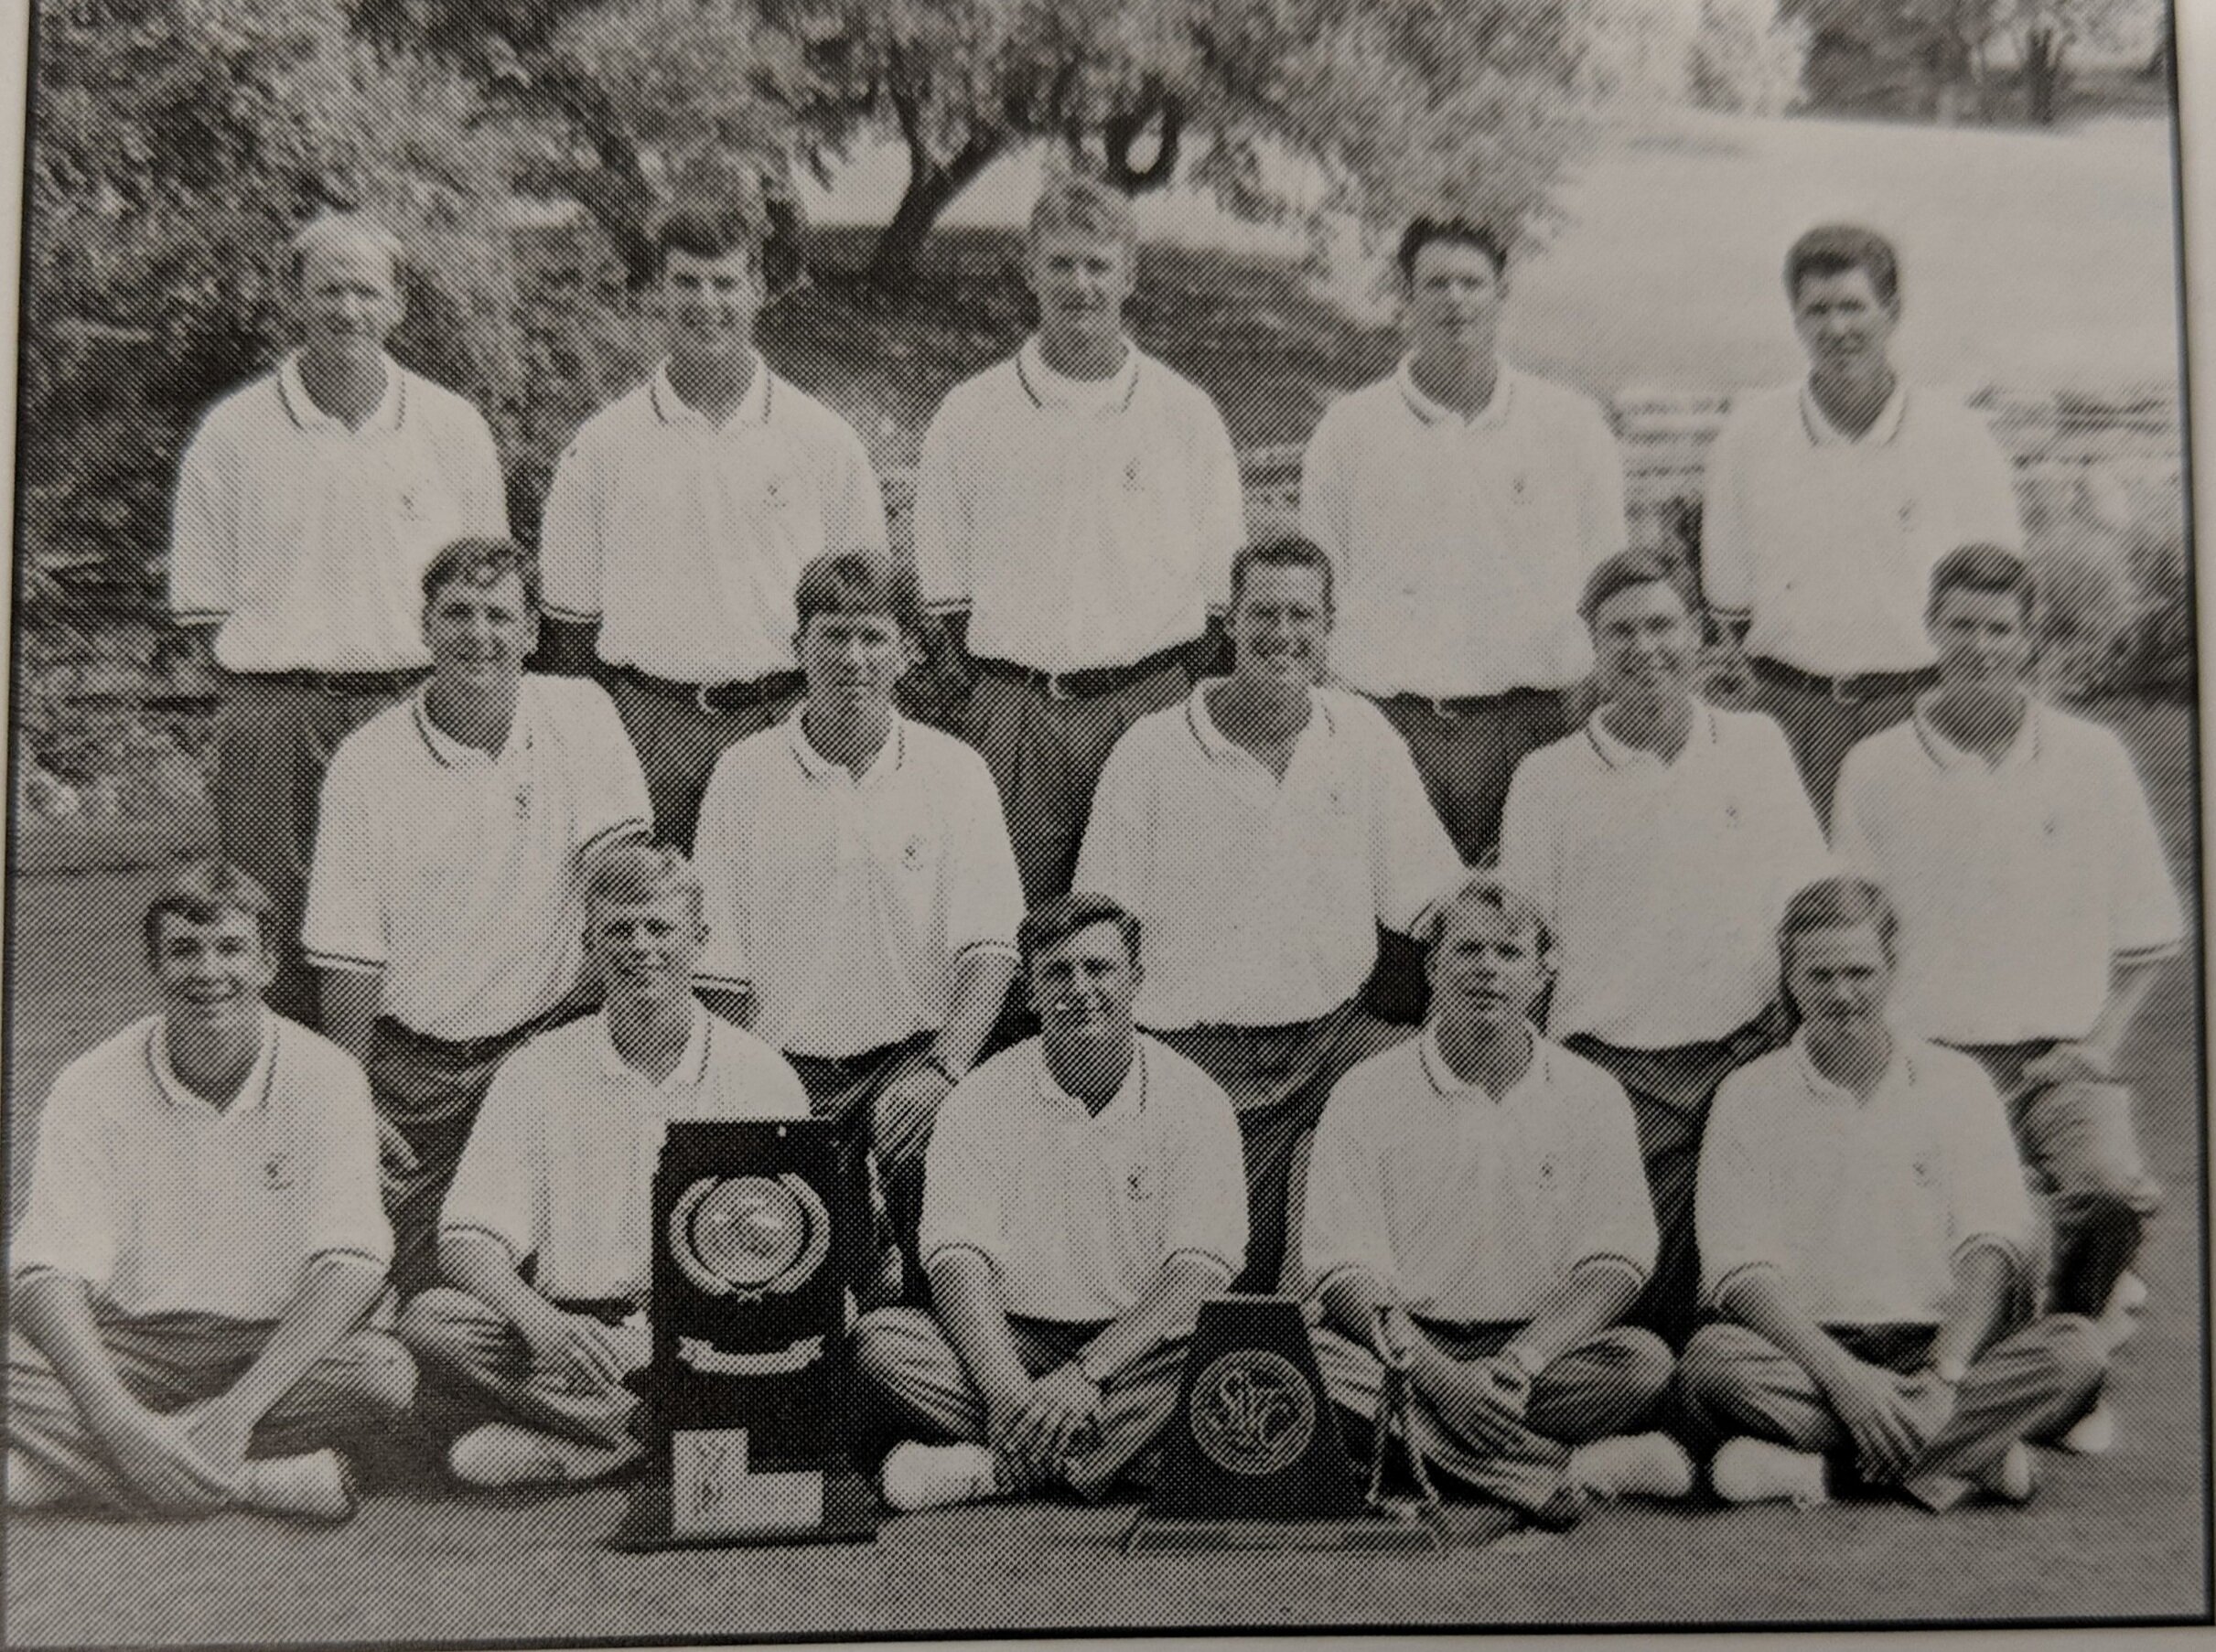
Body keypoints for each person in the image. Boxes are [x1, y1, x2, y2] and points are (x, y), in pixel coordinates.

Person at [1833, 544, 2181, 1451]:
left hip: (2057, 1059)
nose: (1980, 647)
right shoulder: (1875, 765)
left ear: (2027, 639)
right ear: (1930, 630)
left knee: (2108, 1194)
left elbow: (2147, 933)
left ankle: (2078, 1371)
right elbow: (1854, 942)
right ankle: (2016, 1382)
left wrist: (2098, 1042)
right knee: (1980, 1233)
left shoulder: (2091, 758)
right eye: (1961, 626)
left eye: (1999, 629)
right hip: (1930, 1063)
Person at [1075, 536, 1460, 1292]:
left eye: (1302, 616)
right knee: (1209, 1287)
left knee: (1447, 1091)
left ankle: (1397, 1340)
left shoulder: (1363, 735)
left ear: (1328, 627)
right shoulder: (1149, 752)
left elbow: (1431, 904)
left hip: (1332, 1044)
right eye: (1263, 614)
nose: (1282, 635)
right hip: (1200, 1061)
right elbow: (1101, 933)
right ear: (1230, 623)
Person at [169, 213, 511, 1022]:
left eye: (366, 290)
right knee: (270, 921)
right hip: (278, 714)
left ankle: (413, 1106)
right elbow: (203, 607)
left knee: (426, 903)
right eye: (329, 290)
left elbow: (489, 588)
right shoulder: (233, 433)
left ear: (397, 304)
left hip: (416, 701)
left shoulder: (452, 428)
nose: (347, 310)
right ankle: (289, 1107)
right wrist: (279, 686)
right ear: (295, 299)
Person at [1682, 877, 2112, 1511]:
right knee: (1712, 1365)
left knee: (2075, 1350)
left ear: (1893, 967)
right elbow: (1739, 1272)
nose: (1843, 995)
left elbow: (1990, 1242)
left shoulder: (1957, 1082)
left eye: (1861, 972)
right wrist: (1845, 1379)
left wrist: (1944, 1375)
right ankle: (1967, 1453)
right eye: (1820, 976)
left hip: (1939, 1344)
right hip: (1810, 1355)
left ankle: (1818, 1476)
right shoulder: (1747, 1095)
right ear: (1790, 976)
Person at [396, 844, 812, 1487]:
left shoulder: (759, 1075)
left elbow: (786, 1258)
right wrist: (542, 1323)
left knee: (827, 1316)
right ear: (589, 944)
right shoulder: (536, 1070)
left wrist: (663, 1339)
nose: (640, 946)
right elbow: (468, 1240)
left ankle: (588, 1447)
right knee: (432, 1321)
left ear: (699, 941)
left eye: (660, 928)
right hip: (571, 1334)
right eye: (618, 929)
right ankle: (672, 1442)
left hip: (702, 1329)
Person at [8, 863, 412, 1523]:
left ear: (268, 964)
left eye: (230, 949)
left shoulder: (328, 1076)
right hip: (130, 1344)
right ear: (155, 965)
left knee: (381, 1377)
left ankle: (56, 1476)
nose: (208, 972)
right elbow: (47, 1272)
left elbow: (351, 1266)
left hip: (270, 1348)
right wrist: (118, 1422)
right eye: (183, 950)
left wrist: (235, 1415)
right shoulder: (90, 1083)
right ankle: (257, 1483)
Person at [304, 536, 651, 1296]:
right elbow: (348, 955)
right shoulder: (367, 762)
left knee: (582, 1271)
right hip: (416, 1072)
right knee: (416, 1302)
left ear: (532, 632)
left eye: (500, 616)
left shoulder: (581, 712)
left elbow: (619, 880)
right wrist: (353, 1100)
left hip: (543, 1046)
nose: (479, 635)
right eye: (456, 614)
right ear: (423, 627)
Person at [1498, 551, 1826, 1345]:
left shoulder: (1756, 748)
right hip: (1615, 1075)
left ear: (1700, 634)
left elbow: (1804, 914)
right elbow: (1525, 950)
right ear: (1593, 645)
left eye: (1662, 625)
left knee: (1759, 1281)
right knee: (1624, 1289)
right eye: (1621, 632)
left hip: (1742, 1060)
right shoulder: (1547, 778)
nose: (1645, 649)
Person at [1302, 876, 1692, 1531]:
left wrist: (1519, 1361)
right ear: (1433, 967)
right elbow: (1345, 1275)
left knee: (1643, 1366)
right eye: (1468, 950)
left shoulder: (1591, 1095)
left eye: (1509, 953)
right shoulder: (1366, 1092)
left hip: (1534, 1359)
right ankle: (1553, 1471)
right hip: (1400, 1355)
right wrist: (1441, 1380)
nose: (1487, 970)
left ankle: (1424, 1452)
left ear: (1542, 974)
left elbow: (1617, 1260)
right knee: (1309, 1364)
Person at [912, 177, 1250, 905]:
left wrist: (1165, 700)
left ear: (1130, 274)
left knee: (1151, 926)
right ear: (1029, 270)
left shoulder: (1183, 414)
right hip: (1019, 712)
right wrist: (1006, 700)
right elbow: (944, 608)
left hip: (1148, 704)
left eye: (1098, 265)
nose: (1080, 284)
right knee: (1007, 926)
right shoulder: (971, 414)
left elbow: (1224, 605)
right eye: (1061, 264)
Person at [693, 552, 1024, 1292]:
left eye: (873, 638)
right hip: (784, 1075)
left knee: (939, 1246)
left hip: (910, 1070)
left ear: (908, 651)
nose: (852, 659)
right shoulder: (743, 774)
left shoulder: (954, 770)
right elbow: (721, 977)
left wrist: (944, 1071)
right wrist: (746, 1101)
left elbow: (989, 949)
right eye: (833, 636)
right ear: (798, 646)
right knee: (775, 1284)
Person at [853, 894, 1247, 1511]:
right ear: (1031, 993)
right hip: (1016, 1339)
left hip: (1144, 1352)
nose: (1080, 989)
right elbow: (958, 1258)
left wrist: (1091, 1372)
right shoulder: (981, 1097)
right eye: (1057, 973)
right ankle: (1105, 1455)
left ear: (1137, 980)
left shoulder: (1195, 1099)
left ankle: (998, 1469)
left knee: (1233, 1362)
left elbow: (1198, 1269)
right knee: (883, 1346)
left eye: (1099, 969)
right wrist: (1007, 1388)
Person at [539, 180, 888, 850]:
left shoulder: (822, 440)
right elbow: (569, 642)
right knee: (651, 931)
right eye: (687, 283)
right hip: (649, 731)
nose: (706, 304)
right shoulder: (602, 448)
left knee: (786, 928)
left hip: (783, 721)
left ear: (759, 288)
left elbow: (866, 616)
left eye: (725, 283)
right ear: (658, 291)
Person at [1299, 216, 1627, 863]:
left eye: (1473, 282)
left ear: (1503, 291)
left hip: (1533, 726)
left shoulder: (1571, 426)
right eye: (1437, 283)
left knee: (1528, 933)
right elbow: (1320, 590)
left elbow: (1609, 586)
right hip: (1392, 728)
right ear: (1406, 296)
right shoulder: (1350, 429)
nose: (1455, 300)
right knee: (1395, 944)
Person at [1702, 223, 2024, 821]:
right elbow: (1731, 605)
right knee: (1799, 903)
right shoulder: (1749, 438)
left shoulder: (1959, 439)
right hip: (1788, 717)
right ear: (1795, 319)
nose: (1836, 329)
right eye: (1816, 310)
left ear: (1892, 312)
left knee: (1925, 900)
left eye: (1853, 306)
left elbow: (1999, 605)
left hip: (1919, 710)